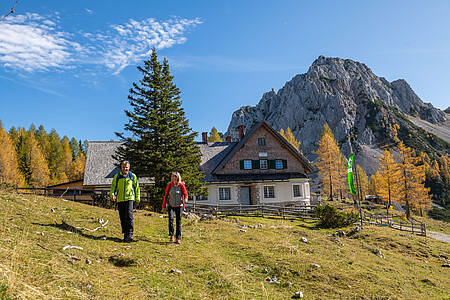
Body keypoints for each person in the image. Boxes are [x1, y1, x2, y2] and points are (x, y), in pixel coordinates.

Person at [110, 161, 140, 242]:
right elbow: (113, 187)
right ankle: (125, 233)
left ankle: (130, 234)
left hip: (130, 198)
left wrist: (137, 198)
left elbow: (137, 188)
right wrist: (112, 194)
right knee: (122, 217)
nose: (125, 168)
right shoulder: (117, 176)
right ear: (121, 167)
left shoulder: (132, 176)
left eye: (126, 167)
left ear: (129, 167)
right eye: (123, 167)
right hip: (120, 199)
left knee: (129, 216)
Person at [162, 172, 188, 244]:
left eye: (173, 176)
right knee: (171, 219)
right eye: (171, 176)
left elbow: (185, 194)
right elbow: (166, 195)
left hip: (179, 206)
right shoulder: (169, 185)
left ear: (177, 177)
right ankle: (172, 235)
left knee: (178, 222)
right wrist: (164, 206)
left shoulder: (181, 185)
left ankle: (178, 238)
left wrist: (186, 199)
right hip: (171, 205)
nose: (171, 177)